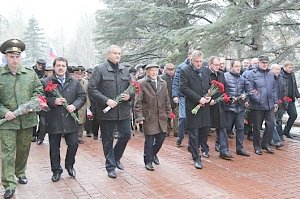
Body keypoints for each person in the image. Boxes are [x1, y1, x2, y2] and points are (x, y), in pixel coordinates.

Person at [0, 39, 43, 199]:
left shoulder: (30, 74)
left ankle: (20, 172)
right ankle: (9, 184)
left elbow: (39, 92)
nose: (15, 59)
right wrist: (4, 111)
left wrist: (31, 104)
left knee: (24, 149)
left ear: (21, 57)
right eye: (11, 56)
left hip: (27, 120)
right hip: (7, 123)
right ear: (6, 57)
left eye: (17, 56)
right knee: (8, 153)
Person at [88, 45, 133, 178]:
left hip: (123, 111)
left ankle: (116, 157)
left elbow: (132, 88)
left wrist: (129, 96)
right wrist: (106, 100)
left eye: (119, 53)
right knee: (107, 139)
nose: (118, 56)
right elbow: (92, 89)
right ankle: (110, 166)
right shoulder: (100, 69)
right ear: (108, 54)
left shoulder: (125, 70)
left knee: (126, 135)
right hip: (106, 112)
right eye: (115, 53)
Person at [43, 57, 86, 182]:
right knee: (54, 148)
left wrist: (75, 105)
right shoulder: (46, 82)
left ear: (67, 68)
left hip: (70, 119)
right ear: (54, 67)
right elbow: (41, 98)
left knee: (73, 144)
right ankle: (56, 171)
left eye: (63, 65)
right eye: (58, 65)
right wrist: (53, 101)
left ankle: (69, 164)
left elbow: (82, 96)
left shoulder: (74, 82)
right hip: (54, 119)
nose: (60, 68)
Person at [135, 63, 172, 171]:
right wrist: (139, 116)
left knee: (161, 138)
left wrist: (169, 112)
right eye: (151, 71)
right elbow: (138, 102)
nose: (154, 73)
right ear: (147, 72)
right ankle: (148, 161)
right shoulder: (141, 83)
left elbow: (167, 99)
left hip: (161, 116)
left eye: (156, 70)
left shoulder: (163, 83)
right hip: (149, 116)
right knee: (149, 140)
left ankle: (154, 154)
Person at [180, 50, 211, 169]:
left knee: (204, 131)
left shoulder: (206, 70)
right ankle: (196, 157)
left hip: (205, 106)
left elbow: (209, 84)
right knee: (193, 132)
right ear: (191, 60)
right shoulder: (185, 71)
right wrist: (198, 99)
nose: (199, 64)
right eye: (196, 62)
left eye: (200, 61)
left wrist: (209, 95)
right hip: (192, 106)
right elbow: (183, 88)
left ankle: (193, 146)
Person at [245, 55, 277, 155]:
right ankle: (257, 146)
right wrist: (258, 99)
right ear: (258, 63)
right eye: (263, 62)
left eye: (266, 63)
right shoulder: (251, 74)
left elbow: (274, 89)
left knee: (271, 124)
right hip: (257, 105)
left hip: (269, 105)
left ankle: (266, 144)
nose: (265, 64)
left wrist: (274, 101)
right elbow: (249, 89)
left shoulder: (271, 74)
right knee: (257, 127)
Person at [208, 56, 233, 160]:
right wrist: (208, 99)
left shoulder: (221, 74)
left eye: (219, 65)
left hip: (220, 105)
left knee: (222, 128)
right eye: (216, 65)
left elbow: (225, 88)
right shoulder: (205, 74)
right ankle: (200, 148)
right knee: (204, 130)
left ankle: (224, 151)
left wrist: (226, 97)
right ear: (210, 64)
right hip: (208, 106)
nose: (218, 67)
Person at [224, 60, 250, 157]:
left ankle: (240, 148)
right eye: (236, 66)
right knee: (226, 128)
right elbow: (222, 91)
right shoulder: (225, 76)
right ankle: (223, 147)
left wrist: (245, 98)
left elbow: (247, 91)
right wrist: (228, 98)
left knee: (240, 128)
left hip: (240, 108)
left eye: (239, 66)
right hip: (229, 108)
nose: (238, 68)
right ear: (231, 67)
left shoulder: (242, 79)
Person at [172, 50, 192, 146]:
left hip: (193, 97)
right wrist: (175, 95)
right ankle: (180, 138)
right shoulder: (181, 67)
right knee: (183, 117)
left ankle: (192, 142)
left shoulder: (198, 67)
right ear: (189, 56)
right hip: (183, 96)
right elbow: (176, 82)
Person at [281, 61, 300, 139]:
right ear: (284, 67)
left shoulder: (292, 75)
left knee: (294, 115)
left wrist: (298, 96)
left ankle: (286, 131)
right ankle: (278, 134)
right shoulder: (281, 75)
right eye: (289, 67)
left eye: (292, 67)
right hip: (282, 99)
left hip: (290, 99)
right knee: (279, 117)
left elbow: (294, 86)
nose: (291, 69)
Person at [37, 65, 54, 145]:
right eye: (48, 71)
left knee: (52, 123)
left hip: (54, 106)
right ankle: (40, 137)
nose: (50, 73)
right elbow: (39, 93)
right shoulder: (42, 81)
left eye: (51, 71)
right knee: (43, 123)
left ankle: (52, 139)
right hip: (44, 106)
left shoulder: (56, 81)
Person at [73, 65, 91, 144]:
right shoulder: (70, 81)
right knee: (73, 121)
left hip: (83, 105)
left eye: (81, 74)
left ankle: (79, 136)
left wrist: (88, 106)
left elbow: (87, 94)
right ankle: (72, 137)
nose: (79, 75)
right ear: (74, 74)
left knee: (81, 121)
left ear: (83, 74)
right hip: (73, 104)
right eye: (77, 74)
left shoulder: (86, 83)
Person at [161, 63, 178, 137]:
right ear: (166, 70)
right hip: (166, 101)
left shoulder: (176, 77)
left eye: (172, 70)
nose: (171, 71)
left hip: (175, 100)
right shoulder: (162, 78)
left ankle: (176, 131)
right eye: (169, 70)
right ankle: (166, 131)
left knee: (177, 116)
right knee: (167, 116)